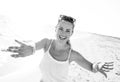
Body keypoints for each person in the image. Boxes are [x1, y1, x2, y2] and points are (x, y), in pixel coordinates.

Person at [5, 15, 113, 82]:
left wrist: (97, 66)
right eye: (60, 28)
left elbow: (91, 67)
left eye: (67, 30)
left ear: (71, 33)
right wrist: (30, 48)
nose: (63, 33)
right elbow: (34, 45)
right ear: (55, 29)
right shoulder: (46, 43)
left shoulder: (72, 55)